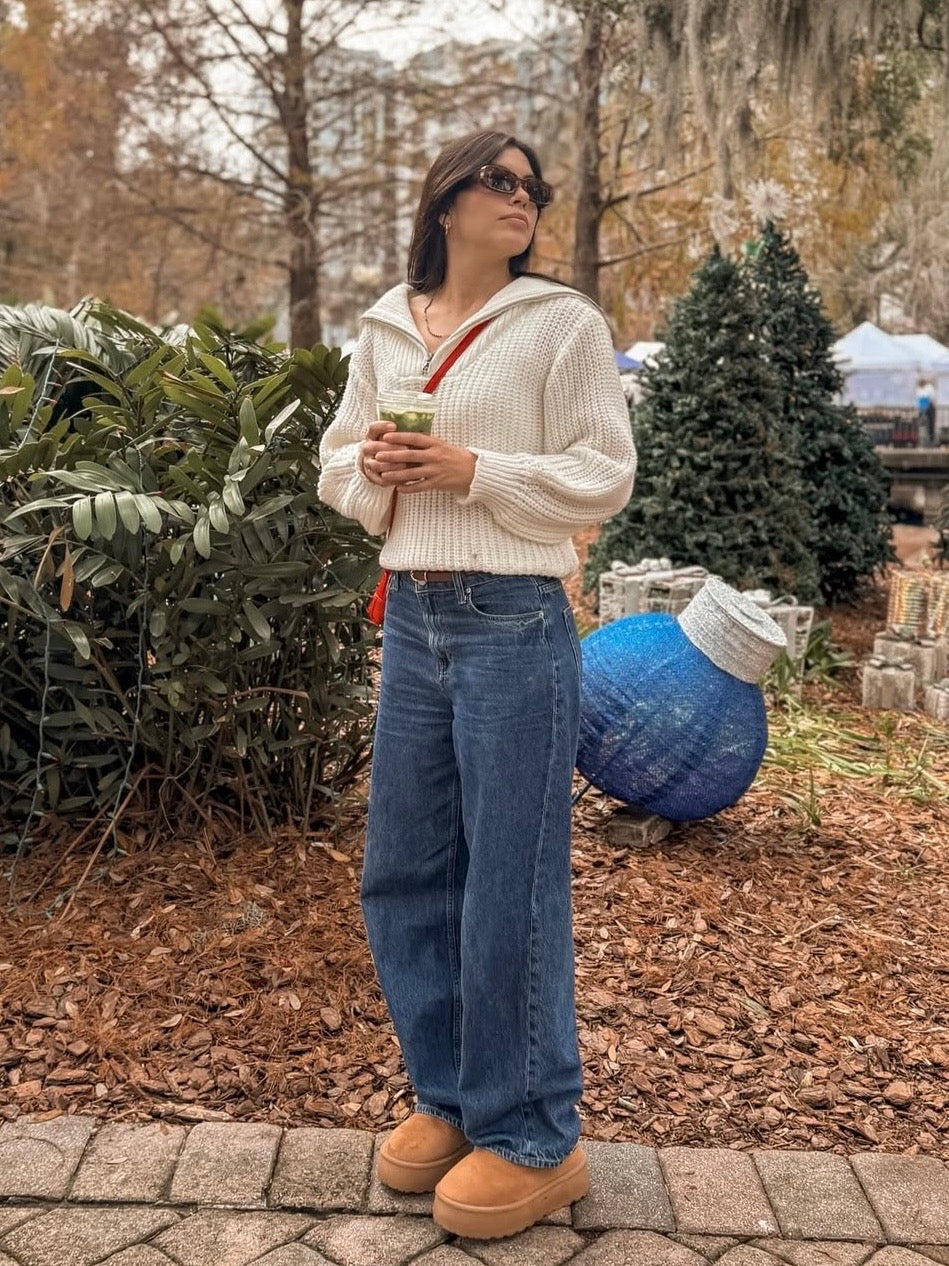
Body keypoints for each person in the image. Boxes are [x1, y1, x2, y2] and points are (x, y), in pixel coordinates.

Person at [317, 128, 636, 1239]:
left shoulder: (561, 323)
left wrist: (472, 469)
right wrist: (368, 471)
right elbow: (334, 456)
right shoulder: (383, 327)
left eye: (532, 188)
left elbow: (604, 471)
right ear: (445, 200)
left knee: (509, 878)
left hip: (511, 618)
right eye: (498, 181)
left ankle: (536, 1134)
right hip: (413, 615)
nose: (521, 199)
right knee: (403, 870)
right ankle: (451, 1099)